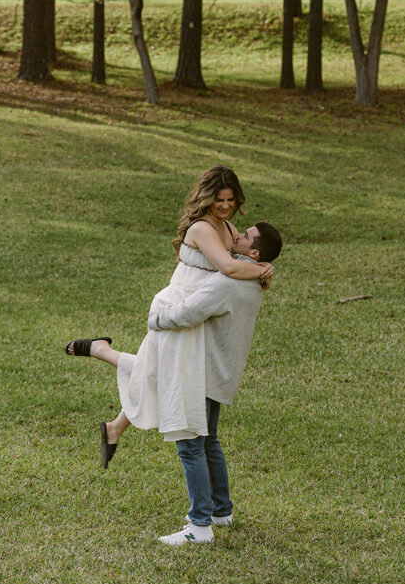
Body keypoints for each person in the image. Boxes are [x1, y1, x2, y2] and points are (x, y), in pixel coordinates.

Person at [68, 221, 283, 545]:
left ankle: (199, 526)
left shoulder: (229, 280)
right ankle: (221, 511)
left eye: (246, 236)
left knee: (190, 444)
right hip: (221, 371)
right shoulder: (254, 279)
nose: (237, 234)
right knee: (209, 441)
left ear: (254, 252)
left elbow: (188, 312)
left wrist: (155, 319)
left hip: (200, 369)